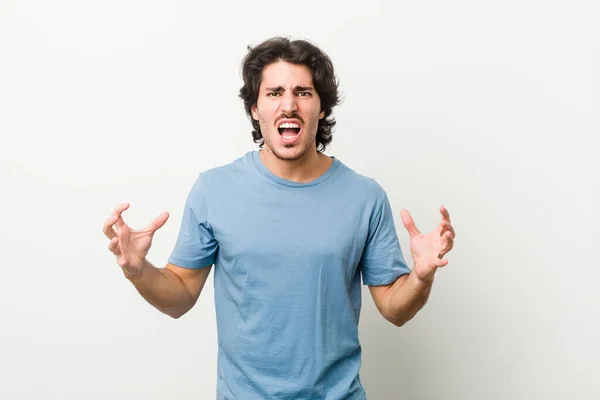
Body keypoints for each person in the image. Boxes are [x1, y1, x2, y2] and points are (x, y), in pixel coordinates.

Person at [102, 37, 455, 399]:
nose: (288, 105)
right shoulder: (214, 189)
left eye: (303, 92)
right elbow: (180, 296)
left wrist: (420, 277)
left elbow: (395, 308)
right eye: (274, 93)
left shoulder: (365, 197)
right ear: (255, 108)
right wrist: (138, 269)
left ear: (321, 107)